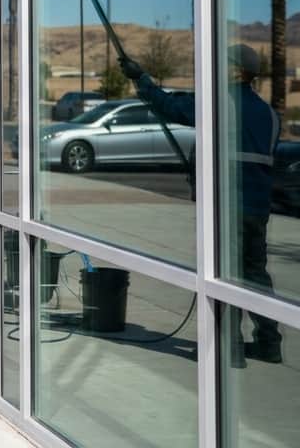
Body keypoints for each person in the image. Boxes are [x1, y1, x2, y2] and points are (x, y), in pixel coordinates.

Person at [121, 43, 282, 365]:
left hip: (225, 205)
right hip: (256, 208)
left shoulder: (221, 103)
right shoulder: (269, 113)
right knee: (255, 275)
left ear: (237, 71)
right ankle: (268, 343)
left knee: (224, 277)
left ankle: (229, 348)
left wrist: (141, 79)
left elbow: (172, 107)